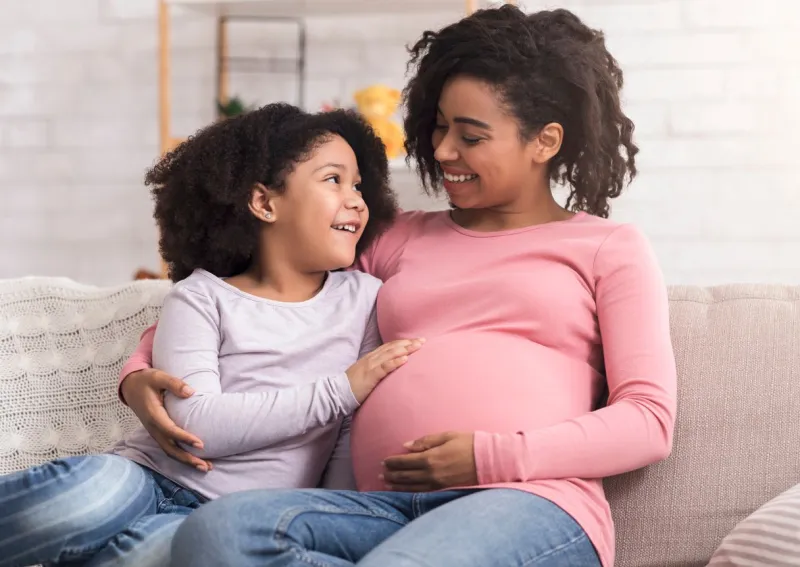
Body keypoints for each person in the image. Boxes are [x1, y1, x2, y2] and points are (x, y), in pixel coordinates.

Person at [117, 6, 677, 567]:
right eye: (439, 125)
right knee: (217, 534)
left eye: (470, 135)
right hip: (377, 509)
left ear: (544, 141)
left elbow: (648, 420)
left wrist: (492, 457)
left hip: (526, 502)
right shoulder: (396, 237)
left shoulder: (609, 248)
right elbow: (265, 294)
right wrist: (140, 371)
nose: (441, 150)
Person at [0, 103, 424, 567]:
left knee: (145, 559)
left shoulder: (364, 299)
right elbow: (196, 426)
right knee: (87, 499)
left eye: (359, 185)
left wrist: (323, 518)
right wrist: (340, 388)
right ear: (264, 203)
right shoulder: (200, 297)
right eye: (333, 180)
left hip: (226, 522)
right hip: (147, 478)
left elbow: (345, 438)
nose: (356, 199)